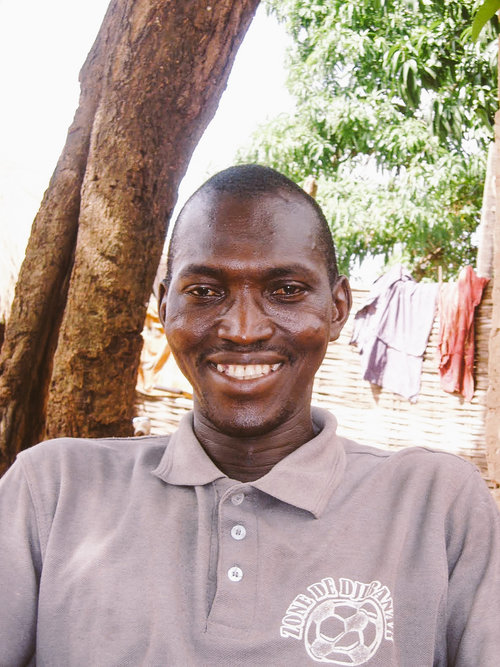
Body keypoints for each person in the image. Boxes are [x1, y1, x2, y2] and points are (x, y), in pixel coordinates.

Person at [0, 164, 499, 666]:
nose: (243, 329)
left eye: (285, 290)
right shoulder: (51, 491)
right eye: (204, 291)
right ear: (164, 305)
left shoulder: (436, 506)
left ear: (337, 308)